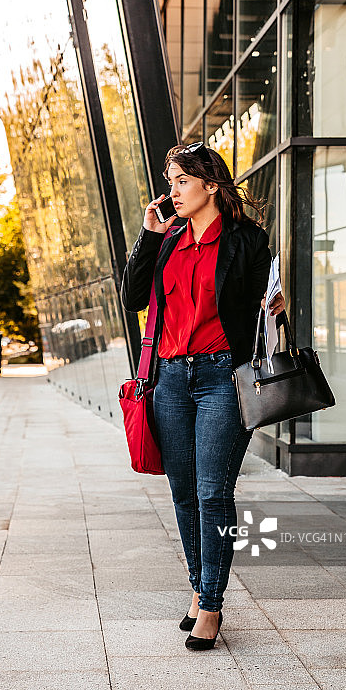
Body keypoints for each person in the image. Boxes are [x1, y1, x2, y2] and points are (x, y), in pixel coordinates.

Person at [121, 143, 285, 651]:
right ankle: (198, 587)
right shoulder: (167, 240)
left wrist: (277, 307)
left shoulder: (247, 241)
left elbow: (270, 311)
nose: (171, 190)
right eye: (170, 181)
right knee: (184, 492)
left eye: (181, 181)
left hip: (222, 377)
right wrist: (147, 236)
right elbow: (133, 299)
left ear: (211, 186)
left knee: (214, 493)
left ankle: (210, 604)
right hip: (170, 379)